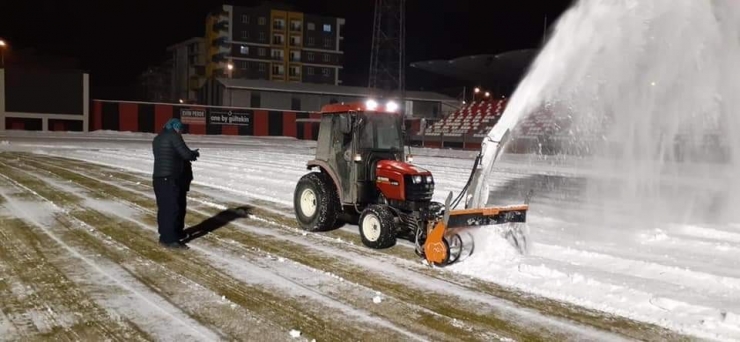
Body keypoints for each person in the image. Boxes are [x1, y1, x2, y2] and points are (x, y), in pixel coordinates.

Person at [152, 118, 199, 249]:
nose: (181, 132)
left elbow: (172, 154)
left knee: (165, 208)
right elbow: (185, 153)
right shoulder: (173, 136)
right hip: (170, 178)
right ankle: (169, 239)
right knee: (172, 209)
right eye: (180, 129)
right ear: (176, 127)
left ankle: (169, 234)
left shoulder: (158, 138)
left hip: (159, 178)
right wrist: (193, 154)